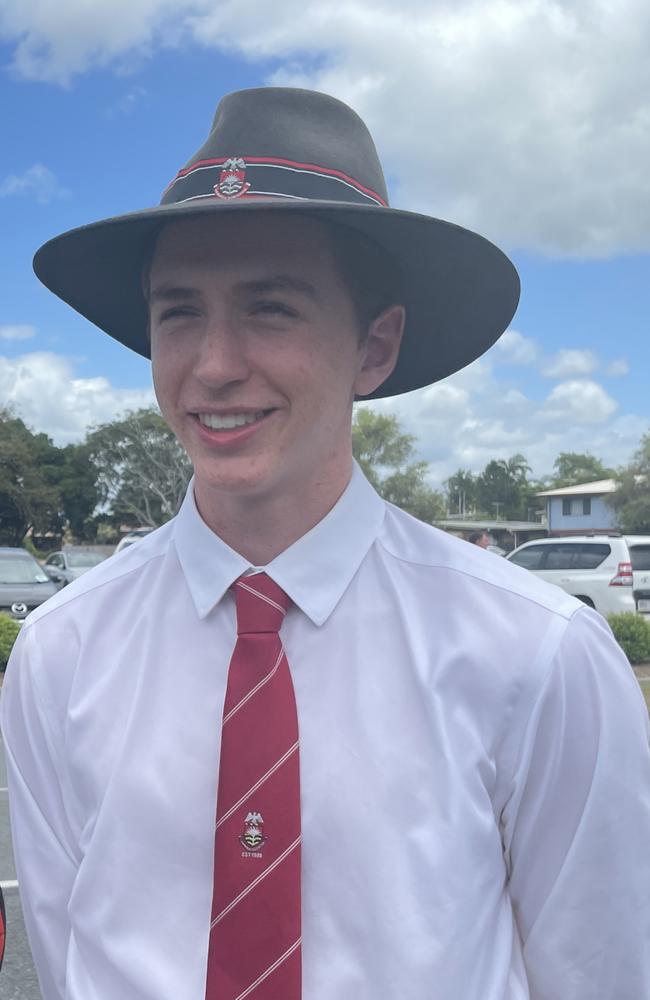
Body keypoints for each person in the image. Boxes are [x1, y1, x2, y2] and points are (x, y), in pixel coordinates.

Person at [2, 87, 649, 1000]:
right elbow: (66, 964)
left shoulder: (536, 657)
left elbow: (600, 972)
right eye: (179, 311)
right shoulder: (61, 653)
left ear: (375, 347)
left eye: (271, 308)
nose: (215, 363)